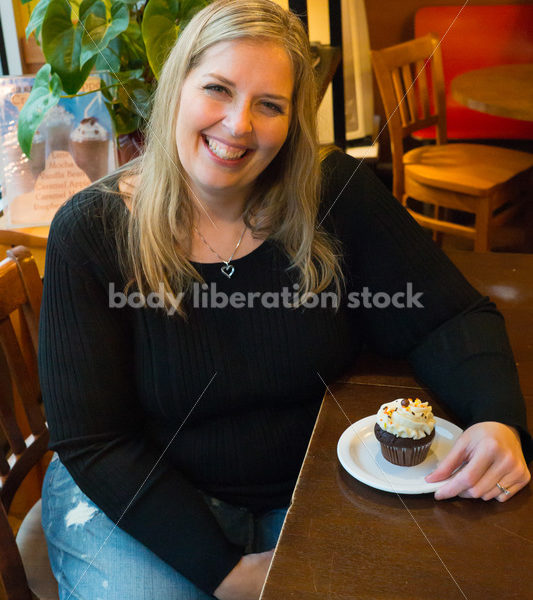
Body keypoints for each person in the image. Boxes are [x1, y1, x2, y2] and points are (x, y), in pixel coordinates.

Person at [38, 1, 532, 599]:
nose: (238, 125)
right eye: (218, 89)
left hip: (303, 486)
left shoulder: (334, 193)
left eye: (268, 105)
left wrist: (496, 419)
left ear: (293, 120)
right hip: (139, 497)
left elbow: (447, 316)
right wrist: (223, 572)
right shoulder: (89, 232)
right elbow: (95, 440)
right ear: (177, 89)